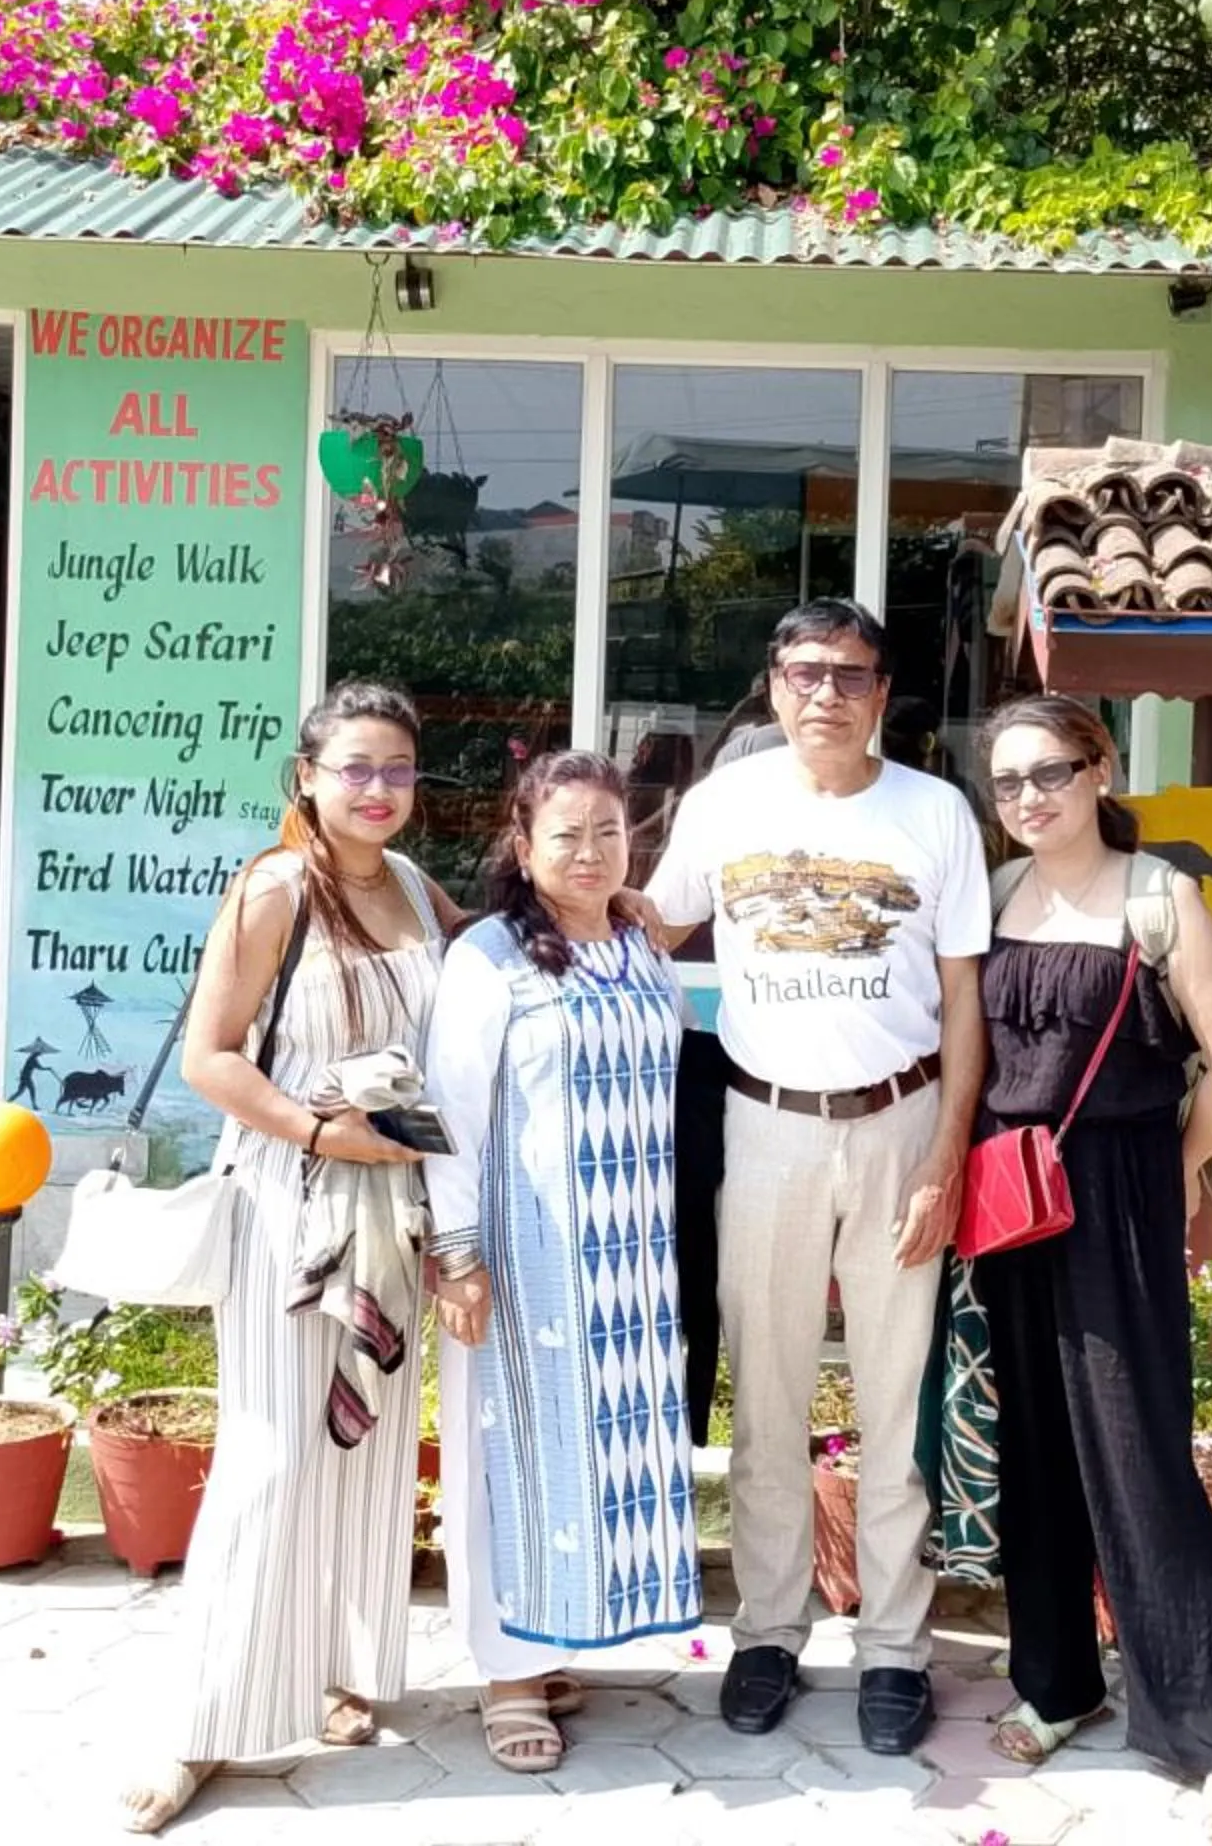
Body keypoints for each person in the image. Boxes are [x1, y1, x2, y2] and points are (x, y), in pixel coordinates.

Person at [637, 598, 990, 1757]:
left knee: (894, 1396)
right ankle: (769, 1631)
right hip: (765, 1126)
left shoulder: (935, 813)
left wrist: (947, 1155)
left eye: (848, 674)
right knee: (770, 1390)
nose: (824, 693)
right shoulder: (724, 804)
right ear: (773, 686)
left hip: (901, 1123)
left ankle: (894, 1647)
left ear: (883, 694)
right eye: (802, 672)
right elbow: (645, 925)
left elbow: (965, 1000)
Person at [119, 682, 461, 1836]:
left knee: (367, 1450)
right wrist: (322, 1129)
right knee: (271, 1455)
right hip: (292, 1200)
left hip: (396, 1206)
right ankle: (200, 1725)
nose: (378, 789)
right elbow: (211, 1059)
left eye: (398, 770)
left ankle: (349, 1672)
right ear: (306, 774)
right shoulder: (275, 890)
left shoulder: (415, 887)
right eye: (355, 767)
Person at [968, 694, 1212, 1845]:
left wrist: (1179, 1172)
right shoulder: (1001, 898)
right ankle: (1058, 1681)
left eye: (1048, 772)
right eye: (1006, 783)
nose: (1029, 798)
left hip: (1119, 1198)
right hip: (1014, 1200)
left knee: (1141, 1457)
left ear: (1098, 769)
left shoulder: (1161, 899)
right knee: (1035, 1452)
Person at [421, 751, 699, 1773]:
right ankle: (505, 1675)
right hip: (521, 1252)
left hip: (628, 1256)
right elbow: (447, 1115)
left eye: (608, 833)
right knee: (510, 1459)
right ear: (523, 846)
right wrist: (457, 1255)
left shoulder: (641, 949)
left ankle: (557, 1637)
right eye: (566, 835)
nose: (589, 853)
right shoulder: (490, 958)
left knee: (594, 1455)